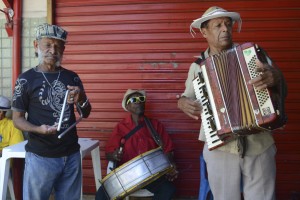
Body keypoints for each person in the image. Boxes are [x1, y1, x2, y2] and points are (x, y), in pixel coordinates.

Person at [178, 6, 287, 200]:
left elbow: (280, 84)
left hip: (259, 143)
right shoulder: (197, 66)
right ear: (204, 32)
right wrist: (183, 102)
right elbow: (186, 96)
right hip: (221, 147)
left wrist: (275, 78)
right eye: (218, 25)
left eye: (228, 24)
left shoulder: (253, 54)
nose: (225, 29)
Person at [11, 23, 91, 200]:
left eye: (57, 46)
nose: (52, 50)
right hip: (40, 156)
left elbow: (85, 113)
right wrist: (38, 129)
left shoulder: (72, 77)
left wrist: (81, 98)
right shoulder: (25, 80)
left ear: (63, 49)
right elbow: (17, 119)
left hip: (71, 155)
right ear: (36, 45)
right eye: (47, 44)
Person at [95, 89, 178, 200]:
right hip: (128, 176)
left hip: (152, 174)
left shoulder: (155, 125)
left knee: (169, 190)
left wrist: (171, 165)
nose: (138, 102)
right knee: (102, 195)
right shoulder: (121, 127)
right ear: (128, 106)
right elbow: (109, 154)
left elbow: (168, 150)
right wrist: (114, 155)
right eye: (134, 99)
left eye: (141, 99)